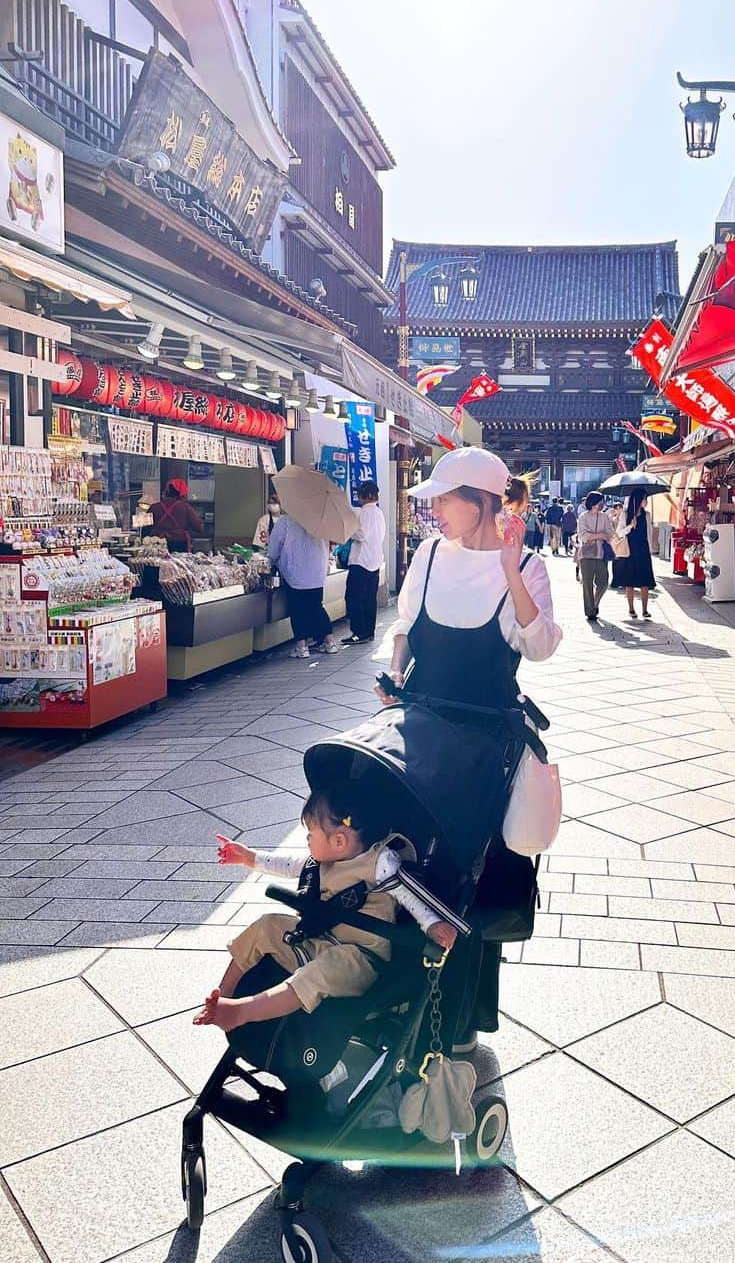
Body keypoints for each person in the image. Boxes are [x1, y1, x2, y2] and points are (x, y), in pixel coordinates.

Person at [376, 445, 561, 1051]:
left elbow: (539, 647)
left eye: (444, 501)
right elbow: (404, 626)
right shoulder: (428, 556)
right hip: (419, 736)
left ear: (482, 503)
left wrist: (510, 569)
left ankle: (459, 1018)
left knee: (469, 878)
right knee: (408, 863)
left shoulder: (527, 565)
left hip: (485, 751)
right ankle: (398, 1002)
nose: (434, 513)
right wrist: (394, 675)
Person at [193, 787, 457, 1033]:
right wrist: (249, 857)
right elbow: (287, 864)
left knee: (318, 973)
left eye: (311, 832)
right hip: (316, 941)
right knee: (267, 925)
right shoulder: (322, 861)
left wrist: (432, 924)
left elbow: (409, 895)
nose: (307, 839)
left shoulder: (379, 863)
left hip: (358, 958)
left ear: (339, 840)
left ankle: (244, 1011)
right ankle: (222, 996)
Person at [267, 511, 339, 659]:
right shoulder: (321, 519)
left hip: (295, 571)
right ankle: (330, 642)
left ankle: (302, 647)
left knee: (297, 609)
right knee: (316, 606)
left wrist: (271, 561)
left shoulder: (286, 521)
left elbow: (275, 545)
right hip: (316, 572)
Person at [343, 480, 386, 645]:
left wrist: (348, 530)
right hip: (374, 560)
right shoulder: (378, 513)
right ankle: (368, 631)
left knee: (354, 598)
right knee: (369, 599)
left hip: (361, 561)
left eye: (360, 493)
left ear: (367, 495)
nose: (358, 496)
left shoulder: (365, 513)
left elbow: (361, 535)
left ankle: (359, 632)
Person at [611, 488, 656, 619]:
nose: (646, 501)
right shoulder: (625, 515)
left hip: (643, 549)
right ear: (637, 500)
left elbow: (649, 533)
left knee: (645, 581)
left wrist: (650, 549)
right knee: (629, 581)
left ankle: (645, 609)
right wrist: (630, 526)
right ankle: (631, 609)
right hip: (629, 550)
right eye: (644, 498)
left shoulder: (646, 515)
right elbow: (619, 533)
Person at [576, 491, 615, 621]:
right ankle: (590, 612)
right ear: (593, 502)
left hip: (601, 554)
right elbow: (582, 536)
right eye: (600, 502)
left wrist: (600, 535)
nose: (602, 504)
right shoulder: (583, 517)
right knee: (587, 584)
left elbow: (610, 534)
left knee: (603, 582)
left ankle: (595, 604)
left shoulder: (604, 517)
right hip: (586, 555)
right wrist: (600, 535)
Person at [147, 478, 202, 552]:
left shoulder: (154, 507)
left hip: (158, 542)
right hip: (180, 543)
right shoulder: (185, 507)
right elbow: (198, 526)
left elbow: (144, 527)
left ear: (166, 492)